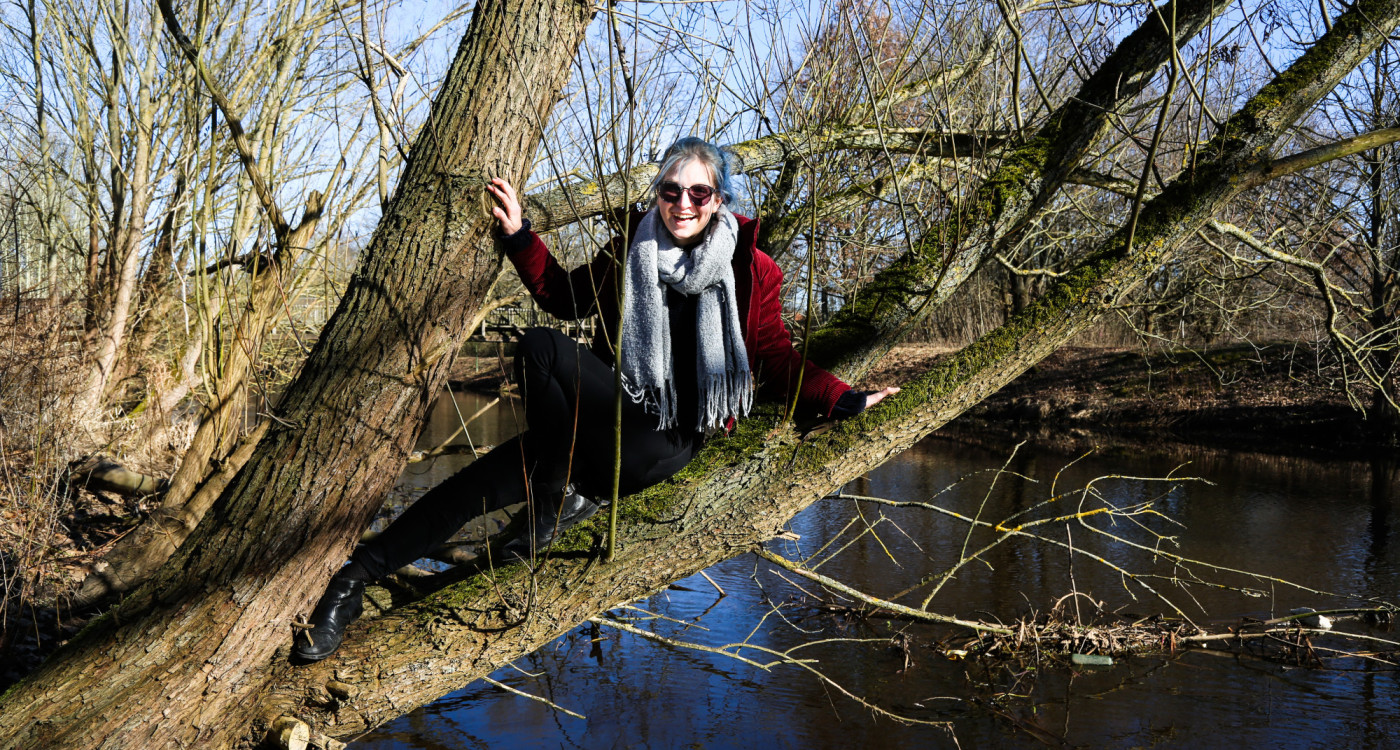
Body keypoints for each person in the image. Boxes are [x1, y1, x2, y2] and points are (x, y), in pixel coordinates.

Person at [292, 137, 898, 662]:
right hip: (600, 422)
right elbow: (563, 296)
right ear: (657, 194)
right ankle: (352, 580)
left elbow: (775, 355)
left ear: (719, 200)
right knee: (472, 477)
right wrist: (519, 235)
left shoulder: (751, 269)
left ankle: (553, 493)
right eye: (671, 191)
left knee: (542, 379)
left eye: (699, 193)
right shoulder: (628, 251)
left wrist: (844, 399)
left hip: (665, 439)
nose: (683, 204)